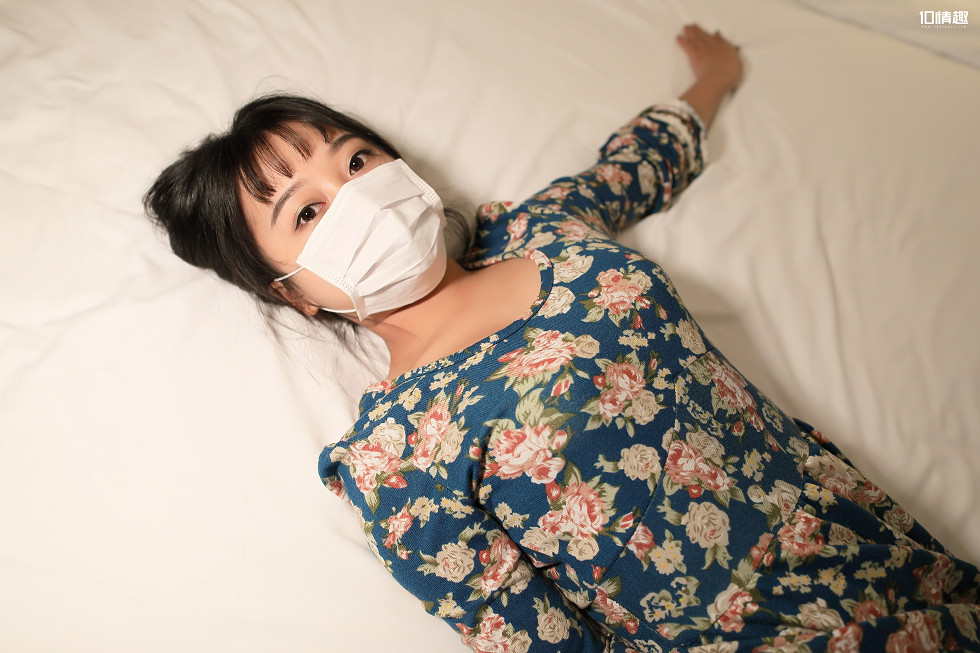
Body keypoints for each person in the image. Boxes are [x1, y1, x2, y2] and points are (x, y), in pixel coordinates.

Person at [145, 24, 980, 653]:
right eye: (308, 211)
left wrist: (713, 79)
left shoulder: (538, 230)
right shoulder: (396, 460)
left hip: (873, 548)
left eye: (356, 160)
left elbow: (634, 164)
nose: (356, 196)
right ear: (291, 293)